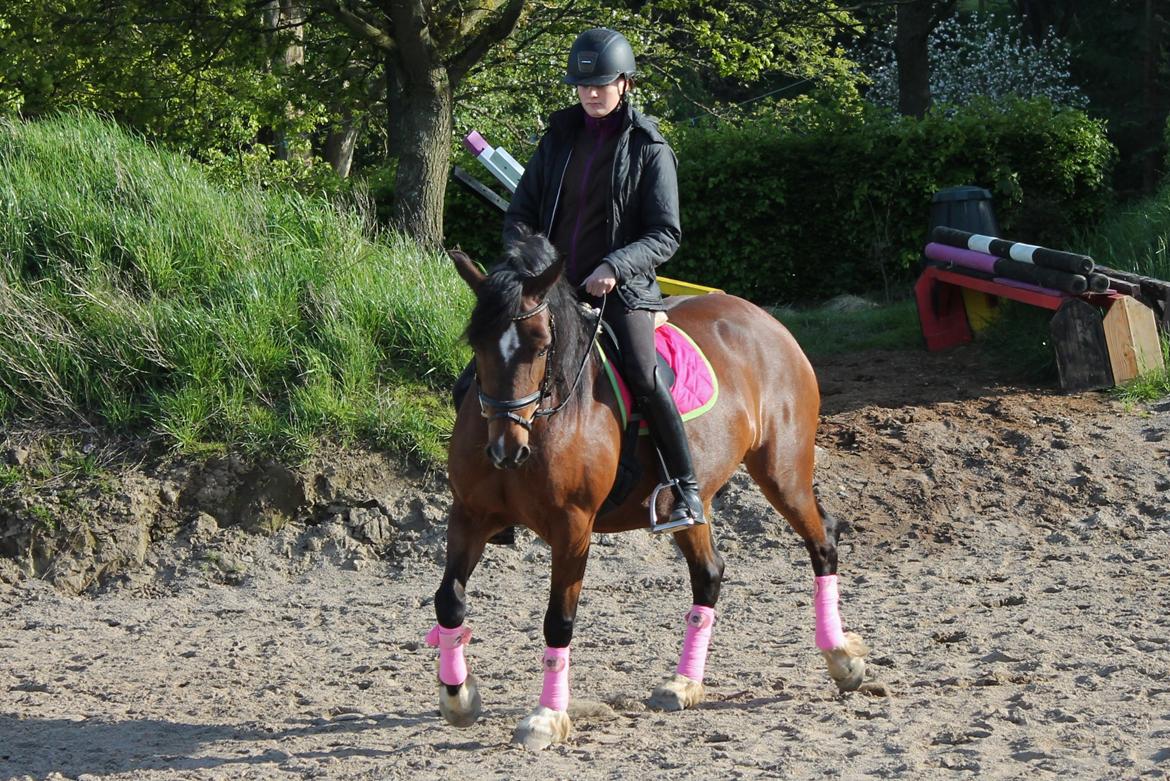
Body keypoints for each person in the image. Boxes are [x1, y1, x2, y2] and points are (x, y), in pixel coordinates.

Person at [500, 26, 704, 529]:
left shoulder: (650, 148)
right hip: (551, 289)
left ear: (625, 84)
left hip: (623, 289)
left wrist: (615, 266)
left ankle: (685, 488)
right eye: (583, 85)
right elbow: (519, 214)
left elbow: (665, 234)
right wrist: (533, 261)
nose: (591, 93)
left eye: (602, 84)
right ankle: (493, 489)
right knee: (486, 366)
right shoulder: (557, 139)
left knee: (643, 372)